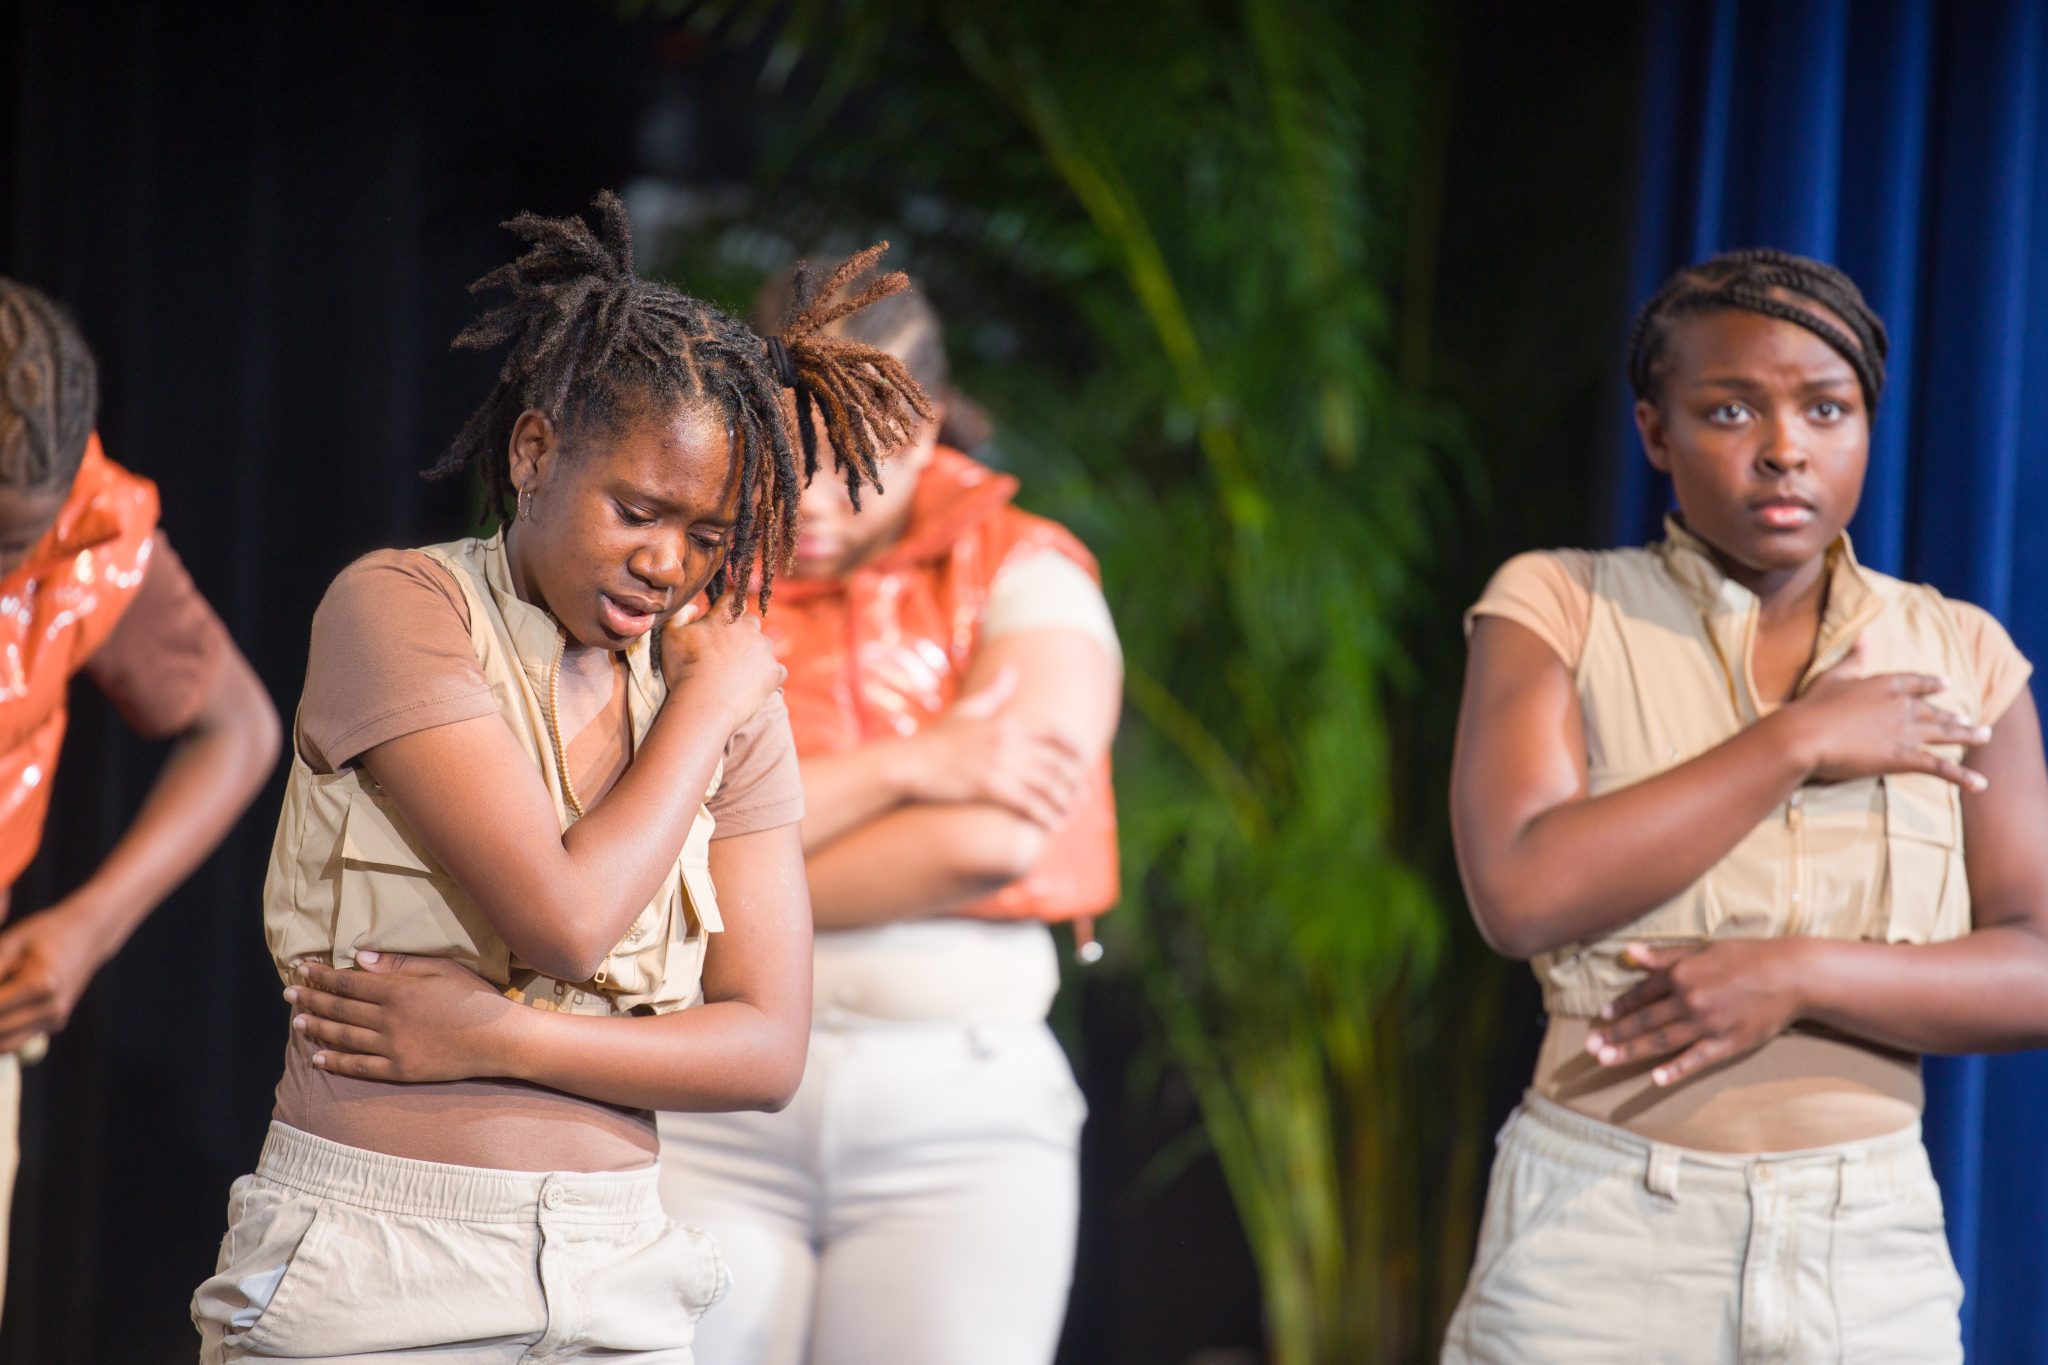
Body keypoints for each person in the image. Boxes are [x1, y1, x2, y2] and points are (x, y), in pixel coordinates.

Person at [192, 195, 929, 1363]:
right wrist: (706, 711)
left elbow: (764, 1050)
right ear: (533, 452)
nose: (667, 563)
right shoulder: (400, 606)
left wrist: (495, 1039)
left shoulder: (714, 688)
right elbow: (565, 923)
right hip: (380, 1263)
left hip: (619, 1277)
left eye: (709, 536)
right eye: (638, 510)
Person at [1442, 249, 2048, 1363]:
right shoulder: (1559, 606)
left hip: (1864, 1248)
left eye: (1826, 409)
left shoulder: (1961, 653)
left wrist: (1797, 975)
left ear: (1864, 427)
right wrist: (1800, 739)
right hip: (1598, 1230)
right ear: (1653, 432)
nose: (1783, 449)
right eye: (1728, 410)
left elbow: (2036, 964)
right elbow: (1519, 894)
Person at [654, 274, 1122, 1365]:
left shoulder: (1026, 569)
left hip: (956, 1113)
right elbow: (618, 852)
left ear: (921, 433)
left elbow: (997, 837)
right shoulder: (680, 574)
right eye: (780, 450)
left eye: (844, 457)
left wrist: (716, 857)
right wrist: (924, 761)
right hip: (705, 1098)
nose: (808, 497)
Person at [0, 278, 279, 1319]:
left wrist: (85, 927)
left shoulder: (89, 526)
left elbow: (238, 727)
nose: (15, 573)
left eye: (22, 544)